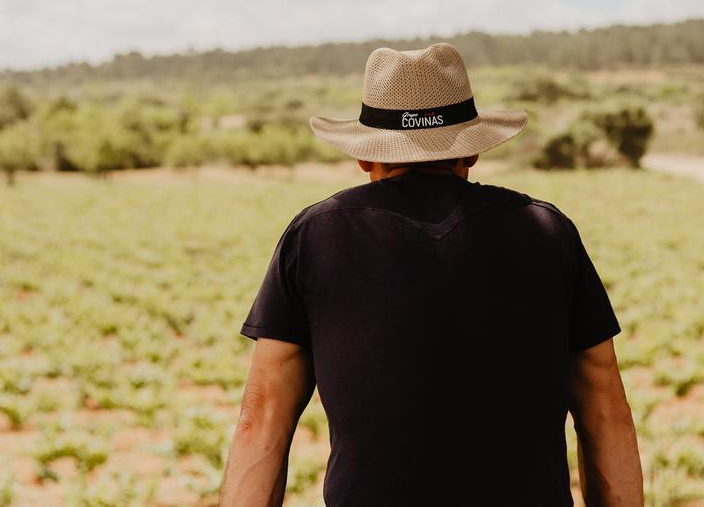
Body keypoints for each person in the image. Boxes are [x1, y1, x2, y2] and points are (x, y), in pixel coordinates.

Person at [219, 43, 644, 507]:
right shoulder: (547, 231)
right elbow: (605, 411)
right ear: (473, 153)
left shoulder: (314, 237)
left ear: (364, 156)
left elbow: (261, 419)